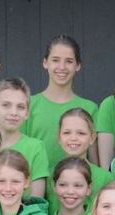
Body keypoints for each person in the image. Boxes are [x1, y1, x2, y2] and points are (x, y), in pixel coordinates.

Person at [24, 35, 100, 171]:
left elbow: (94, 163)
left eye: (69, 61)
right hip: (37, 185)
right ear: (45, 62)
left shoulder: (89, 108)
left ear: (78, 65)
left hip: (77, 187)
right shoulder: (29, 104)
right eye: (55, 60)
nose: (62, 67)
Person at [44, 108, 113, 215]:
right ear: (59, 137)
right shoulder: (48, 176)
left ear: (92, 138)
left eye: (81, 133)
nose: (73, 138)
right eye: (67, 133)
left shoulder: (105, 178)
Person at [0, 78, 49, 198]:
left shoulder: (35, 148)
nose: (14, 112)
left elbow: (36, 201)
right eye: (6, 105)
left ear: (27, 113)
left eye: (20, 107)